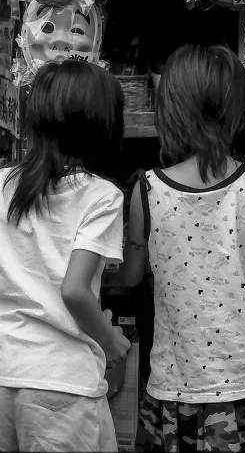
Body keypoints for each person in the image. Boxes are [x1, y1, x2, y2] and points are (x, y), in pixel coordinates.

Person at [121, 44, 245, 452]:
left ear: (170, 108)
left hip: (181, 384)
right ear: (239, 106)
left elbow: (132, 276)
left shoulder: (146, 191)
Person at [0, 60, 131, 452]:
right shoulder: (101, 196)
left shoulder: (3, 183)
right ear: (102, 125)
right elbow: (74, 291)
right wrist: (111, 341)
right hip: (62, 383)